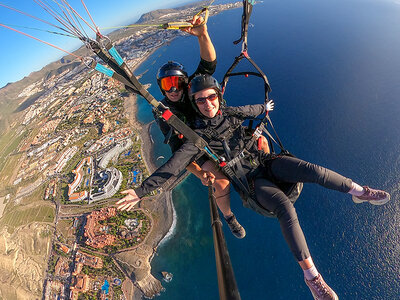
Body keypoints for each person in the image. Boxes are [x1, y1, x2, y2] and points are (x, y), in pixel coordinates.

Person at [117, 74, 391, 299]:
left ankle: (360, 192)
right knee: (285, 208)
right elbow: (174, 165)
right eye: (200, 100)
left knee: (312, 170)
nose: (207, 103)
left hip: (266, 162)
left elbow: (250, 110)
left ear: (218, 97)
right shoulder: (196, 138)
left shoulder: (229, 113)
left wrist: (265, 109)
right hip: (251, 181)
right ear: (196, 104)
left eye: (211, 96)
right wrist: (142, 190)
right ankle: (313, 279)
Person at [153, 14, 246, 238]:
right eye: (168, 85)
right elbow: (177, 150)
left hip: (218, 131)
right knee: (221, 182)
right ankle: (229, 217)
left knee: (260, 145)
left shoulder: (192, 88)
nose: (174, 90)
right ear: (161, 88)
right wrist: (199, 174)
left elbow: (208, 64)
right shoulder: (164, 113)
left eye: (178, 83)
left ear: (186, 83)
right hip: (197, 146)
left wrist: (203, 35)